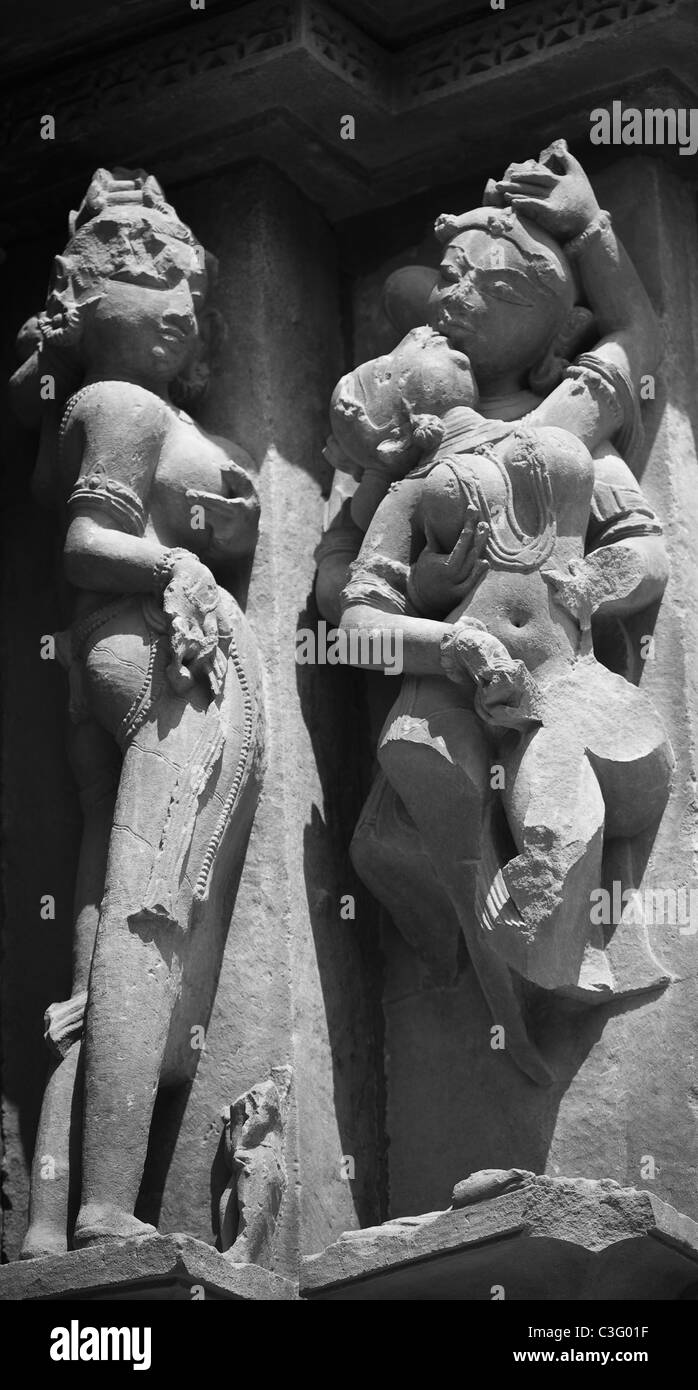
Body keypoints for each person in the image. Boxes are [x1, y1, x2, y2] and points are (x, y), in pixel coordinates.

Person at [11, 169, 264, 1254]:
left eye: (176, 271)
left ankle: (50, 1226)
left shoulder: (130, 409)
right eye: (129, 262)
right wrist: (182, 569)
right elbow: (80, 545)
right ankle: (109, 1203)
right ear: (79, 293)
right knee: (147, 915)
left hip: (138, 662)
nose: (165, 290)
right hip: (153, 658)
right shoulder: (121, 404)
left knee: (104, 940)